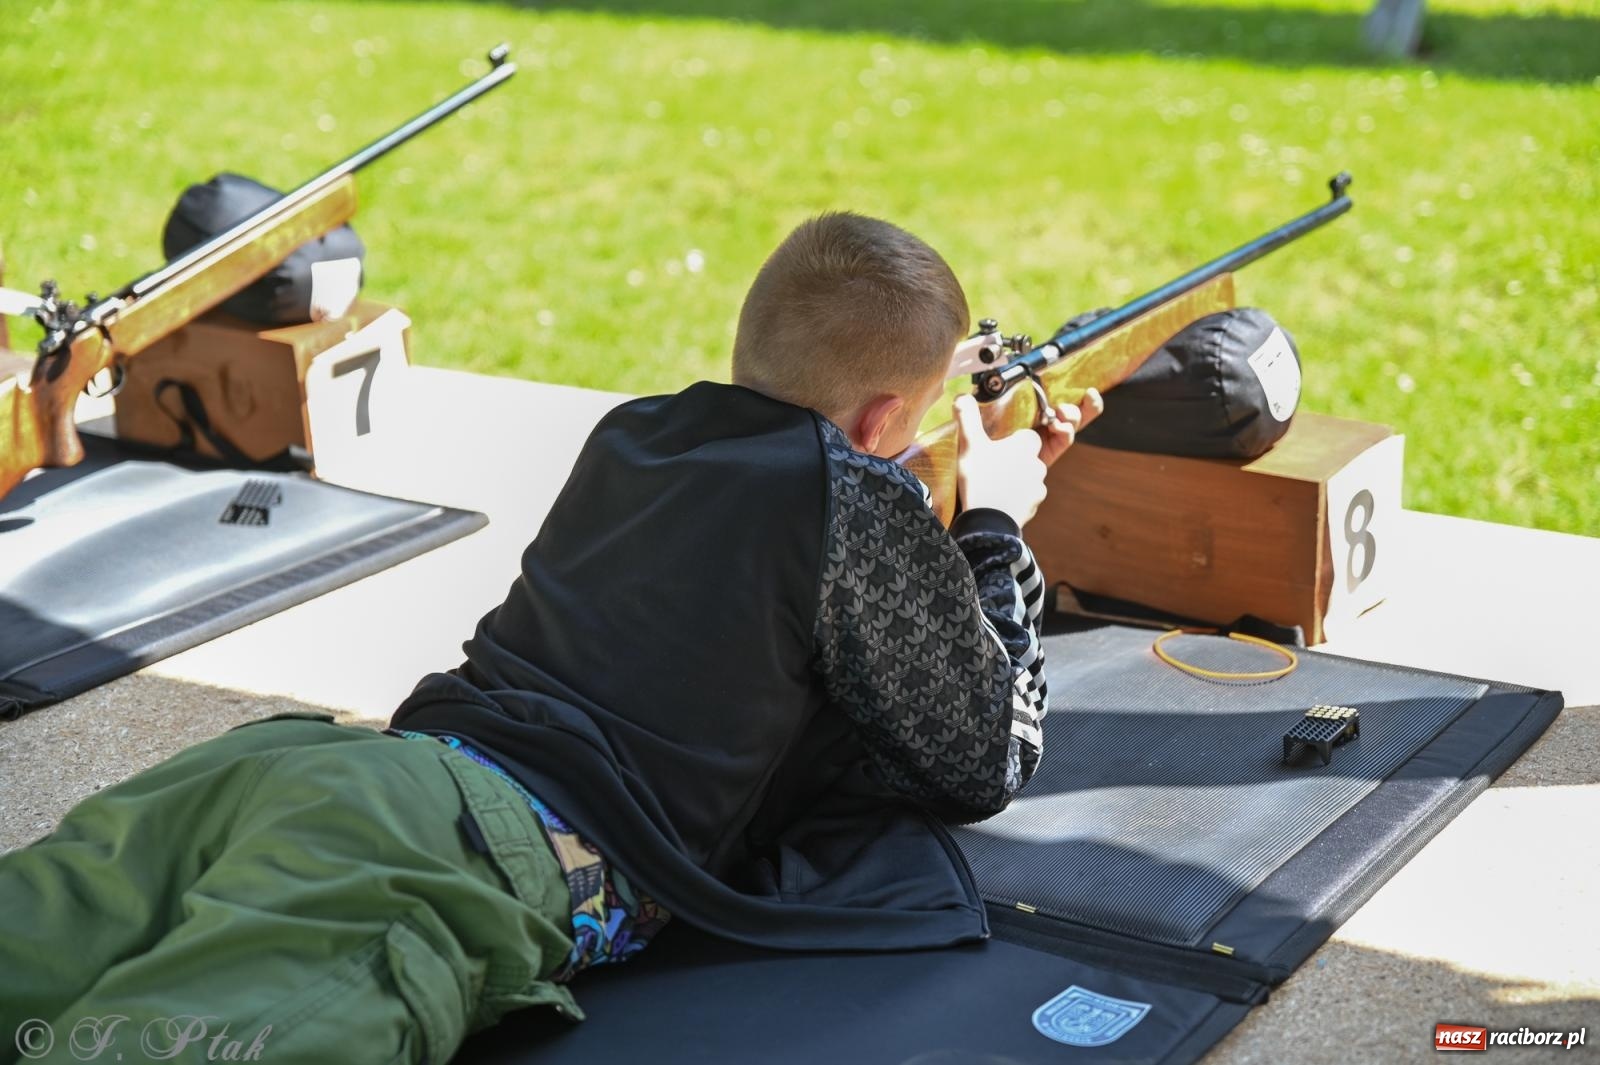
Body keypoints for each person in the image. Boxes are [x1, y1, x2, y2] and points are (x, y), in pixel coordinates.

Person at [0, 212, 1101, 1065]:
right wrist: (995, 521)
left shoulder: (635, 432)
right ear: (882, 422)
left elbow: (768, 544)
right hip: (452, 858)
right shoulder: (858, 496)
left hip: (310, 770)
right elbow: (983, 759)